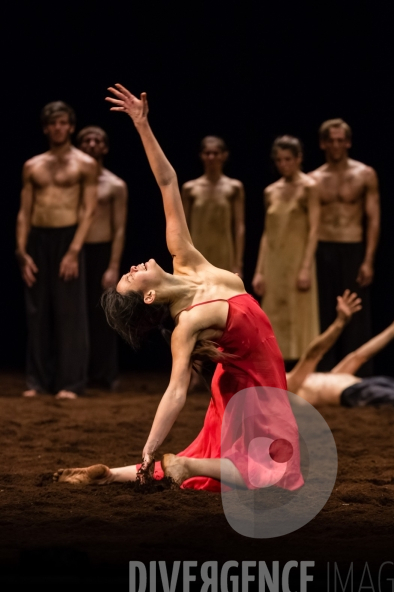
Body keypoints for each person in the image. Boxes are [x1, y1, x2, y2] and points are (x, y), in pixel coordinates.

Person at [54, 84, 303, 491]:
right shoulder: (187, 322)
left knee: (222, 452)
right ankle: (185, 467)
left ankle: (108, 475)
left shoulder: (185, 258)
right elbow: (175, 392)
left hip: (243, 378)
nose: (133, 267)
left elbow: (168, 183)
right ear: (149, 296)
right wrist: (150, 446)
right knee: (277, 474)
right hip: (253, 389)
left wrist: (142, 124)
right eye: (132, 277)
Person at [16, 101, 98, 399]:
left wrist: (74, 251)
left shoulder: (84, 164)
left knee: (70, 313)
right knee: (37, 312)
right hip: (37, 239)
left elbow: (89, 211)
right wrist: (21, 251)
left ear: (71, 126)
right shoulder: (33, 165)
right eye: (53, 123)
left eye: (64, 122)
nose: (58, 128)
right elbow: (24, 212)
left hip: (68, 239)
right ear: (46, 128)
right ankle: (38, 381)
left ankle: (71, 383)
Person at [309, 119, 380, 375]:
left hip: (353, 247)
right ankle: (324, 372)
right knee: (325, 313)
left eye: (341, 140)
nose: (337, 145)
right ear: (323, 143)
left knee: (356, 316)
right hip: (323, 249)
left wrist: (368, 259)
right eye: (332, 140)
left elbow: (373, 218)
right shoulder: (313, 179)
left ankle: (357, 375)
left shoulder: (365, 174)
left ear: (348, 142)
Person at [286, 291, 394, 413]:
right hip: (357, 393)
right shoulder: (285, 388)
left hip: (367, 385)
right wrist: (340, 322)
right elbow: (314, 354)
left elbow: (359, 356)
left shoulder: (320, 380)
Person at [252, 136, 320, 362]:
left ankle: (301, 377)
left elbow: (314, 230)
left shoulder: (309, 186)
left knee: (300, 317)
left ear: (299, 159)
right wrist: (259, 271)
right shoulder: (271, 191)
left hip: (298, 259)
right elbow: (266, 233)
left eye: (288, 159)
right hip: (274, 261)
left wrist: (306, 267)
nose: (284, 164)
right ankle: (277, 376)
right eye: (279, 160)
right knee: (274, 318)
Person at [77, 126, 128, 389]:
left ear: (105, 148)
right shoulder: (73, 182)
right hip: (76, 251)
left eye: (98, 140)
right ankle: (77, 373)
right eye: (86, 139)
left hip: (103, 251)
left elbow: (119, 228)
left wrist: (113, 265)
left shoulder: (115, 184)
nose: (92, 143)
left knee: (104, 314)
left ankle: (105, 374)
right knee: (76, 314)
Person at [181, 136, 245, 276]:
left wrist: (238, 263)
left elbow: (239, 226)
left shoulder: (234, 187)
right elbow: (182, 227)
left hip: (224, 252)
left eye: (215, 153)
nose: (211, 157)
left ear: (224, 156)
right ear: (201, 156)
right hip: (197, 252)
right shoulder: (190, 188)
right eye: (207, 153)